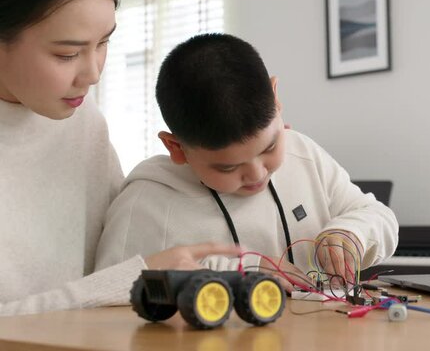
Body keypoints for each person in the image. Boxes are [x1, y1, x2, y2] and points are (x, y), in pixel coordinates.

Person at [95, 33, 399, 292]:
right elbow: (109, 291)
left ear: (276, 100)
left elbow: (377, 215)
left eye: (269, 147)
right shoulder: (146, 202)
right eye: (227, 167)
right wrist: (227, 276)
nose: (257, 173)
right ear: (177, 148)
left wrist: (351, 234)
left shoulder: (303, 154)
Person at [0, 0, 240, 316]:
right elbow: (119, 277)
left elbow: (122, 241)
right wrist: (125, 281)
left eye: (103, 43)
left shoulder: (84, 120)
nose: (94, 74)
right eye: (68, 53)